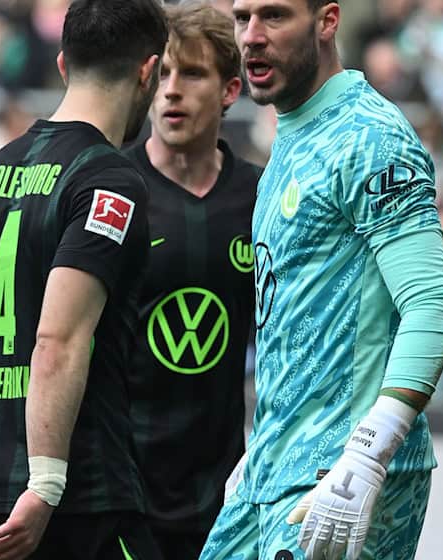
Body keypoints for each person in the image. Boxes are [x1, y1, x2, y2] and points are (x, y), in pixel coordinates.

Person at [0, 1, 168, 559]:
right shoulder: (111, 179)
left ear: (62, 65)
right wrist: (44, 484)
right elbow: (58, 340)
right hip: (72, 505)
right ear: (148, 72)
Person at [201, 1, 443, 559]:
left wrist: (368, 456)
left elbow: (433, 309)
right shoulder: (293, 135)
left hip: (339, 470)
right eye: (242, 17)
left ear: (327, 21)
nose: (251, 37)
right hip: (274, 468)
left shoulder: (370, 136)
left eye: (273, 16)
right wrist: (264, 446)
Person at [123, 3, 261, 559]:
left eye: (193, 73)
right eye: (162, 74)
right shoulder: (111, 190)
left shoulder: (262, 197)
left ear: (230, 91)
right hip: (124, 495)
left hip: (228, 497)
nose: (171, 91)